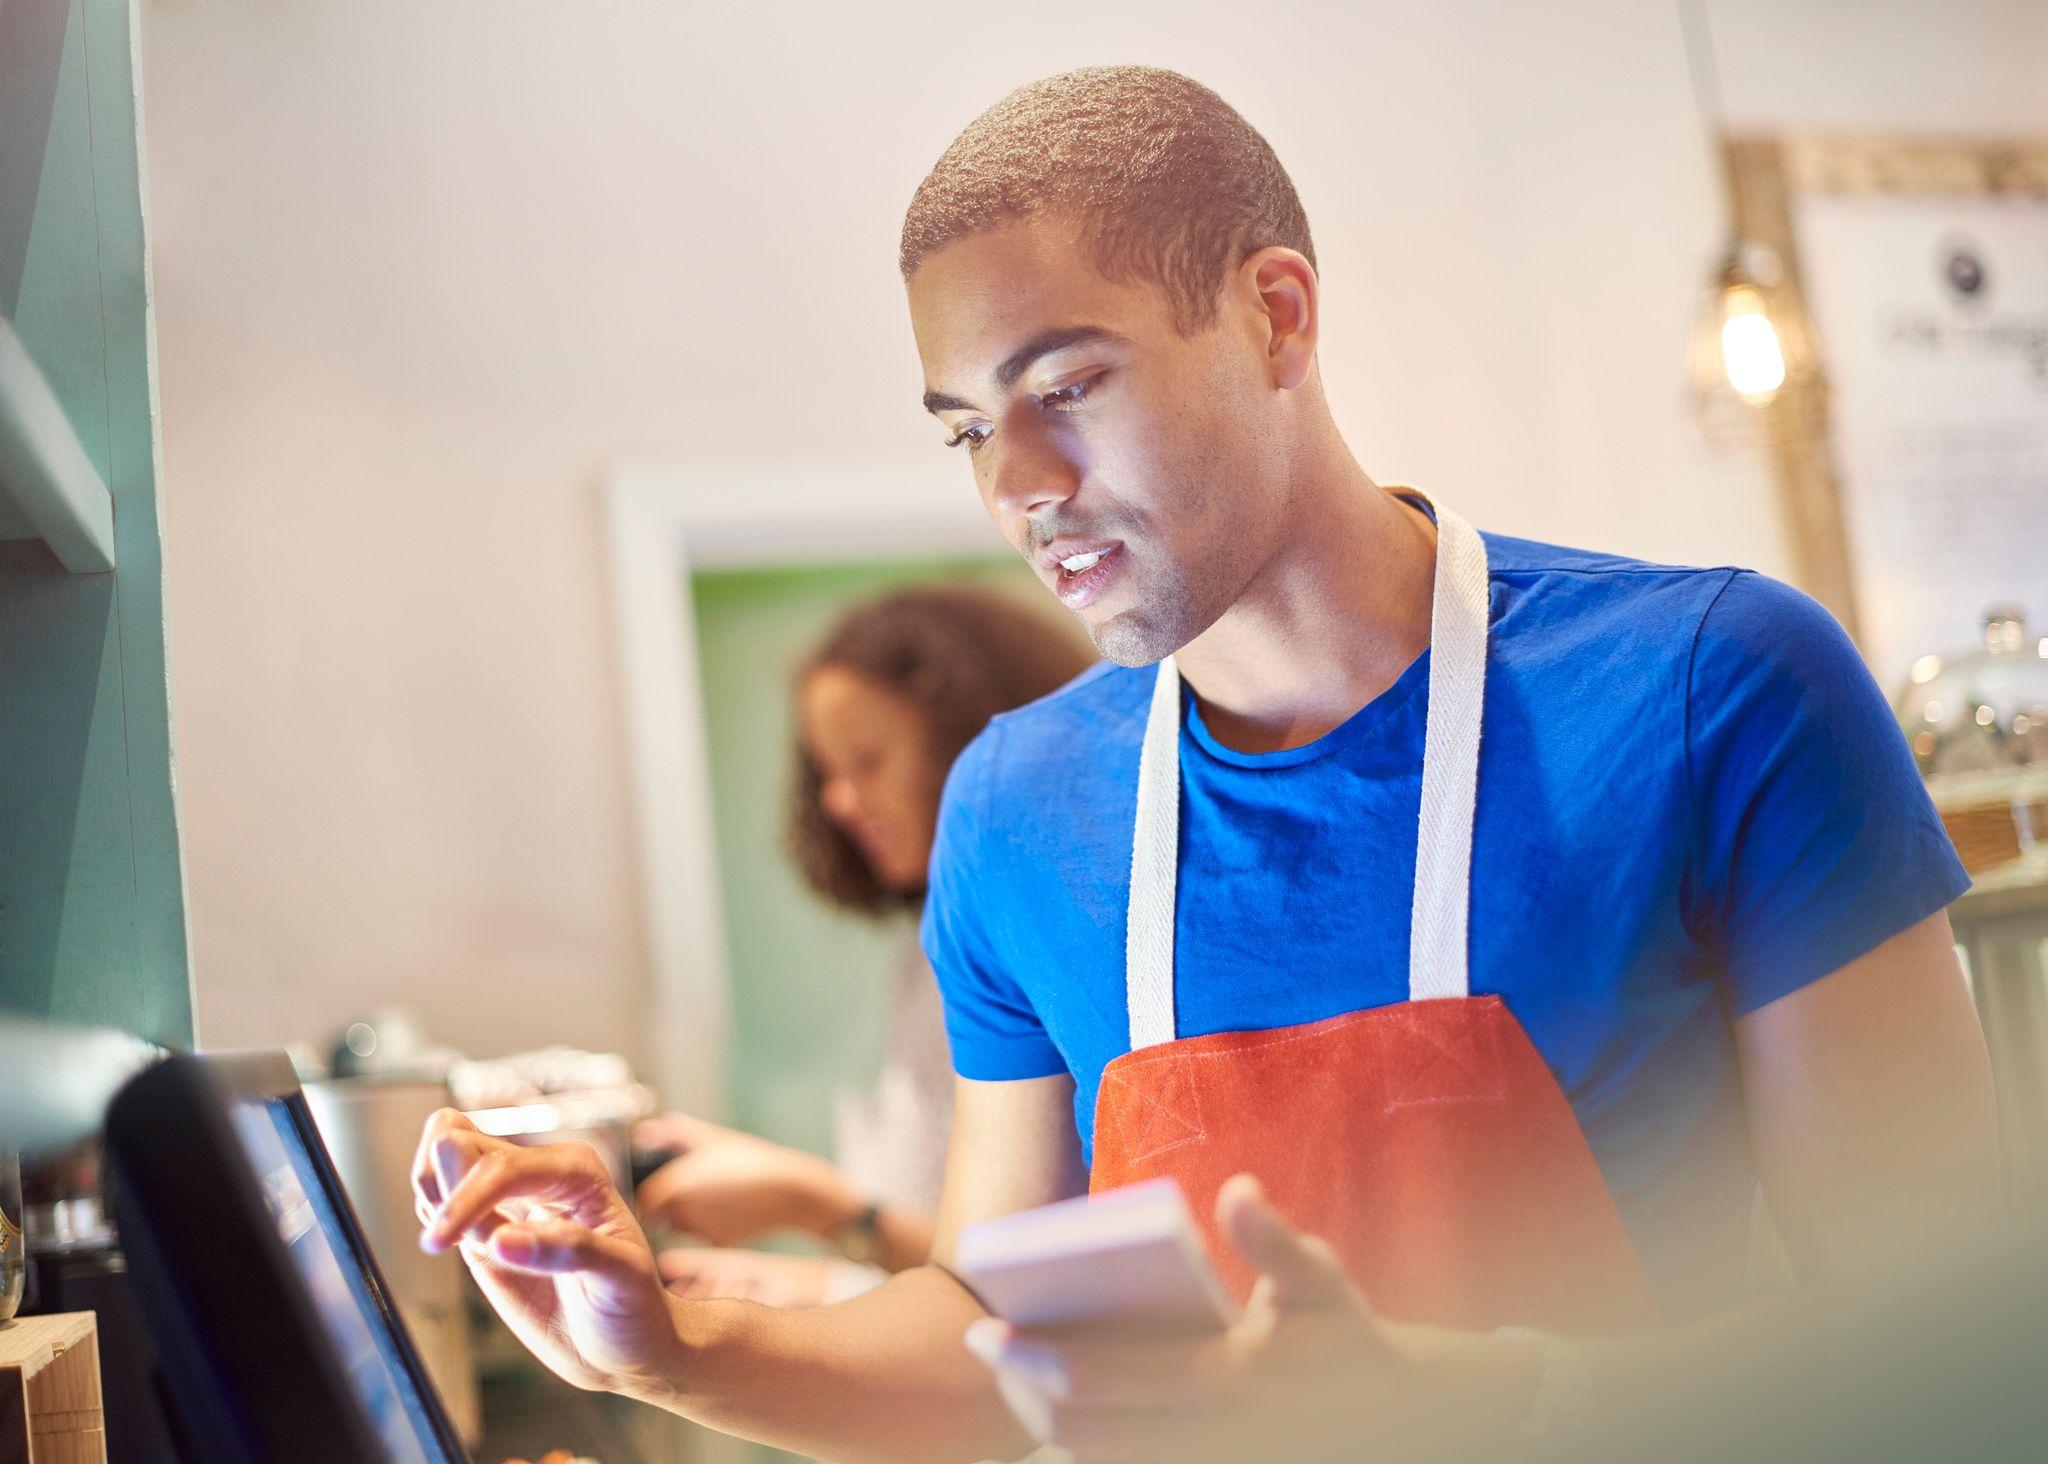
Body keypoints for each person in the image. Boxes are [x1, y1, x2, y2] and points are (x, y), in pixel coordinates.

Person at [414, 67, 2000, 1463]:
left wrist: (1499, 1411)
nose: (1020, 485)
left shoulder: (1715, 690)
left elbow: (1947, 1346)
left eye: (1068, 385)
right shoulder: (1017, 812)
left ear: (1276, 315)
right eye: (968, 429)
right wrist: (674, 1349)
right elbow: (990, 1349)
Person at [634, 585, 1092, 1307]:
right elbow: (947, 1268)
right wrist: (806, 1287)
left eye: (868, 760)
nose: (838, 802)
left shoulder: (1057, 952)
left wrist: (813, 1204)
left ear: (972, 743)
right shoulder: (928, 954)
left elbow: (1035, 1284)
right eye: (827, 773)